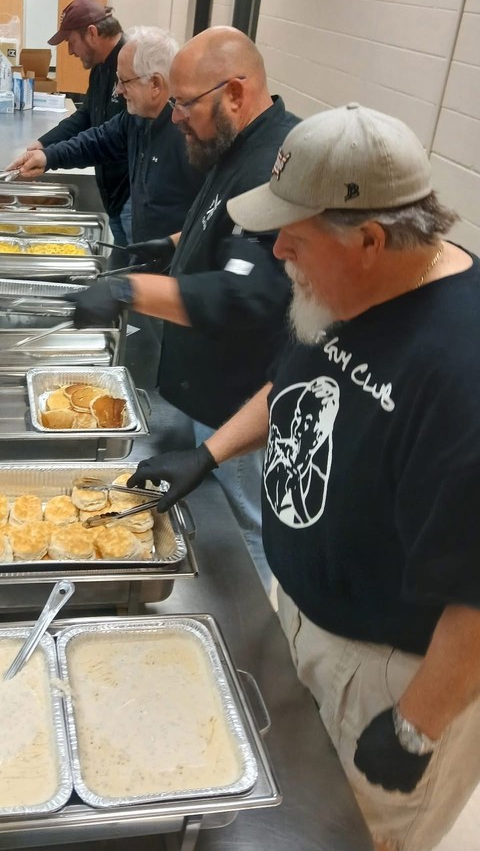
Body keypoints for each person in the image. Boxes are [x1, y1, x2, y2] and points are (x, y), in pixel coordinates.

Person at [128, 103, 480, 851]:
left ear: (372, 239)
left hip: (396, 668)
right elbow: (297, 385)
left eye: (296, 231)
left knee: (355, 834)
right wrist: (210, 453)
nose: (275, 246)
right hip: (309, 613)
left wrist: (416, 726)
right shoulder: (351, 289)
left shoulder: (462, 368)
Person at [65, 26, 299, 587]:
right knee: (217, 517)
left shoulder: (278, 161)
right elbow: (223, 229)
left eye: (184, 102)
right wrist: (170, 245)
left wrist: (128, 291)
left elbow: (249, 290)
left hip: (244, 395)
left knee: (247, 532)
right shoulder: (233, 144)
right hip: (209, 386)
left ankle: (257, 640)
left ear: (235, 94)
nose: (174, 116)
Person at [7, 25, 203, 244]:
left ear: (155, 84)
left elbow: (207, 221)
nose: (118, 90)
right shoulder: (135, 118)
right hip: (143, 254)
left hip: (170, 268)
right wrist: (47, 156)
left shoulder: (189, 135)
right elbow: (96, 141)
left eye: (125, 81)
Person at [33, 0, 131, 244]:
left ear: (92, 33)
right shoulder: (101, 67)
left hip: (131, 196)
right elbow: (86, 116)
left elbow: (109, 139)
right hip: (114, 196)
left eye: (71, 41)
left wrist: (52, 156)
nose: (69, 51)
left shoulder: (129, 67)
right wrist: (43, 144)